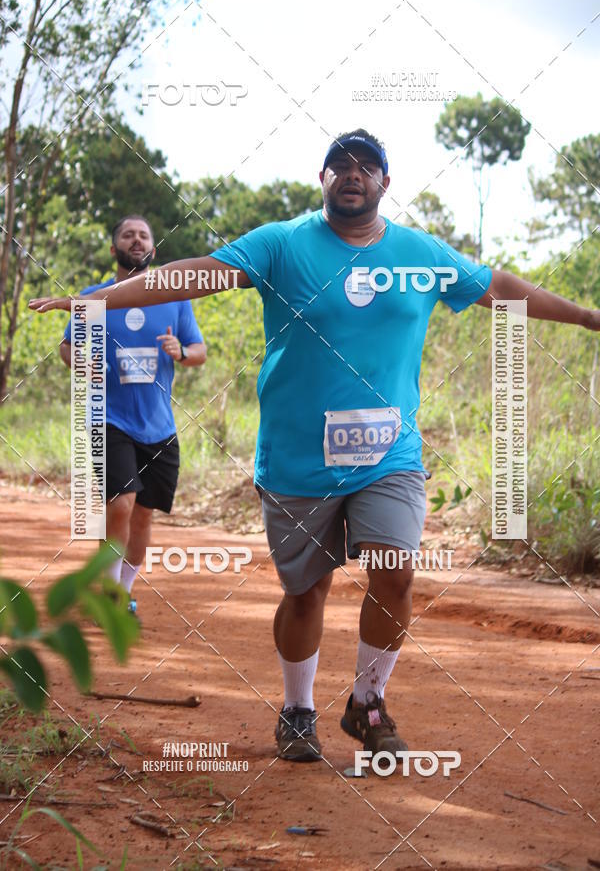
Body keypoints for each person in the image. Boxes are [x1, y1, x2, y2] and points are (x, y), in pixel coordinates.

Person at [31, 129, 600, 761]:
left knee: (396, 571)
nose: (352, 174)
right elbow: (182, 278)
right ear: (322, 178)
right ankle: (298, 709)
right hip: (298, 457)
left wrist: (587, 316)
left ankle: (367, 703)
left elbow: (502, 288)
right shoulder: (280, 244)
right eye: (339, 165)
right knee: (306, 593)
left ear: (386, 182)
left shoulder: (421, 254)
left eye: (367, 166)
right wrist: (95, 303)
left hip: (389, 456)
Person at [60, 214, 206, 616]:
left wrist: (181, 351)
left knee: (143, 515)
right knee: (121, 502)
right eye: (128, 234)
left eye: (144, 235)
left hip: (159, 425)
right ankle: (107, 593)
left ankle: (124, 589)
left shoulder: (173, 299)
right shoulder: (94, 299)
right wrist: (80, 362)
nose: (136, 240)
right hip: (109, 419)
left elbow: (199, 351)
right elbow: (67, 347)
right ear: (115, 249)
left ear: (153, 249)